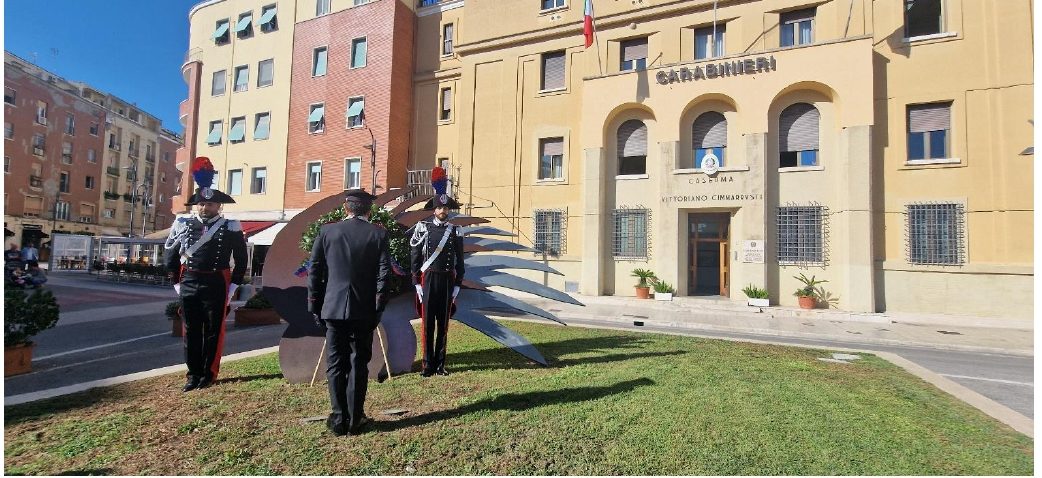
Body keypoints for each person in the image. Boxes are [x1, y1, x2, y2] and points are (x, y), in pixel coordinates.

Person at [308, 189, 392, 436]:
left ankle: (337, 417)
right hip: (364, 308)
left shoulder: (327, 231)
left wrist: (315, 304)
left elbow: (315, 271)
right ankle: (355, 418)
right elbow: (384, 273)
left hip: (332, 308)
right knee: (358, 363)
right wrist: (379, 305)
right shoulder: (378, 233)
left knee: (335, 362)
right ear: (368, 210)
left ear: (346, 209)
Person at [164, 157, 247, 393]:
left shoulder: (231, 226)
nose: (204, 207)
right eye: (201, 203)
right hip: (189, 280)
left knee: (213, 330)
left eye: (209, 205)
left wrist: (233, 288)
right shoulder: (182, 223)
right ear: (196, 205)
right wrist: (176, 283)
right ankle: (193, 374)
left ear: (218, 206)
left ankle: (209, 373)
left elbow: (241, 260)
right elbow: (171, 253)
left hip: (216, 282)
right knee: (191, 329)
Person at [410, 167, 465, 377]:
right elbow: (415, 255)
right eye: (439, 207)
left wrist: (458, 284)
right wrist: (416, 282)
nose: (443, 211)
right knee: (427, 324)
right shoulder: (422, 228)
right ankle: (427, 365)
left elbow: (460, 259)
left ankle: (440, 365)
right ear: (434, 209)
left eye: (446, 208)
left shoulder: (455, 230)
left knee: (443, 325)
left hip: (447, 279)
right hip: (429, 278)